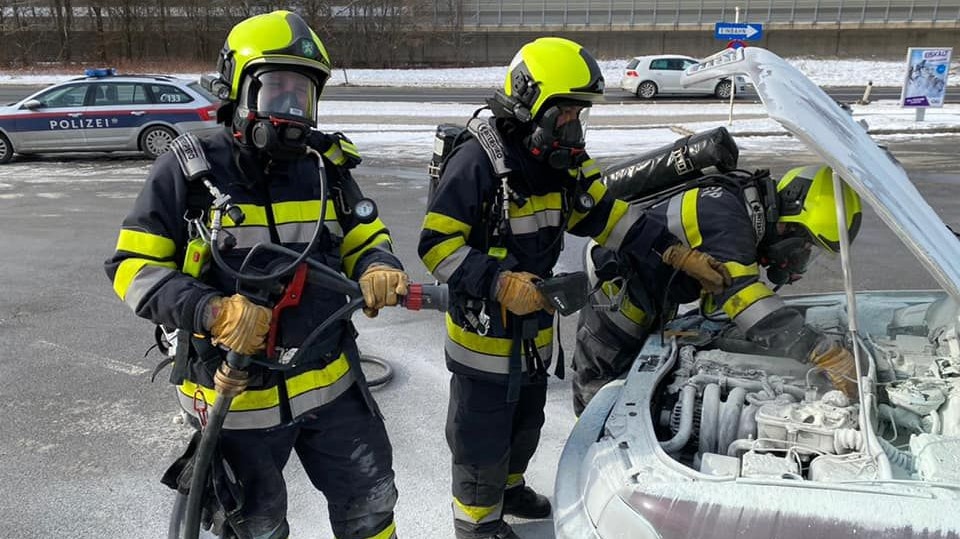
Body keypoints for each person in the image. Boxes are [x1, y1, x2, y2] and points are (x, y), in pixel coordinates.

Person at [105, 11, 407, 539]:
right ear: (236, 90)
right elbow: (132, 267)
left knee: (372, 507)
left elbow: (365, 237)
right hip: (236, 400)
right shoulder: (189, 168)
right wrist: (210, 309)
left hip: (330, 385)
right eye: (275, 91)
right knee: (254, 527)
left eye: (302, 95)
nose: (291, 111)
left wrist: (380, 266)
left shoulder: (324, 167)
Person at [417, 37, 731, 539]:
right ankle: (476, 524)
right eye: (565, 114)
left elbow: (609, 215)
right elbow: (436, 246)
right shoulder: (477, 163)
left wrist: (673, 250)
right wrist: (498, 283)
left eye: (579, 115)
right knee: (481, 438)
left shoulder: (564, 165)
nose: (574, 127)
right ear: (529, 103)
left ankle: (511, 488)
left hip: (536, 331)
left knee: (525, 425)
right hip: (484, 340)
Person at [572, 165, 863, 416]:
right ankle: (590, 461)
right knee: (602, 394)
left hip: (655, 290)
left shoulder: (742, 209)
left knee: (644, 376)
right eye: (805, 247)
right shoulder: (728, 220)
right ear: (789, 223)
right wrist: (821, 351)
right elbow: (744, 299)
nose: (800, 260)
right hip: (618, 294)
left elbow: (718, 307)